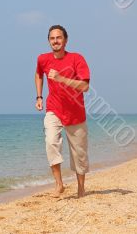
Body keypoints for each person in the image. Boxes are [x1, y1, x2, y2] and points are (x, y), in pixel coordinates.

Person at [34, 25, 90, 198]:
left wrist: (61, 78)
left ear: (65, 40)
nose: (55, 41)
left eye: (59, 38)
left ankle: (81, 188)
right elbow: (38, 75)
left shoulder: (77, 59)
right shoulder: (43, 59)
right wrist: (39, 97)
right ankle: (59, 184)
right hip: (54, 109)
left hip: (75, 113)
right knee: (50, 142)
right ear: (48, 41)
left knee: (79, 153)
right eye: (52, 38)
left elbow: (85, 86)